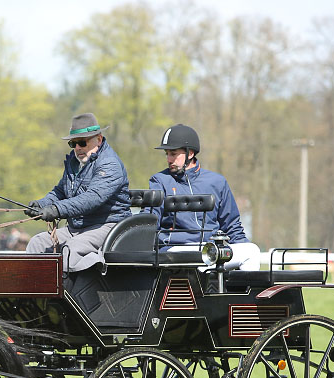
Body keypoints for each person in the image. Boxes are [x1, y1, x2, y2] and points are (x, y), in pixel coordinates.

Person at [25, 113, 132, 271]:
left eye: (82, 142)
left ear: (99, 139)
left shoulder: (110, 164)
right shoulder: (74, 163)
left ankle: (70, 291)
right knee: (37, 243)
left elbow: (91, 199)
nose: (77, 148)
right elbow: (60, 191)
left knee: (72, 249)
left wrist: (56, 209)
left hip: (107, 226)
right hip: (77, 228)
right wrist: (41, 204)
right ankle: (33, 292)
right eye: (73, 144)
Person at [148, 124, 260, 270]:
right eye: (167, 154)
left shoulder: (217, 182)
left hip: (211, 249)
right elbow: (151, 221)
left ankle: (239, 292)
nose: (169, 159)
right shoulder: (160, 180)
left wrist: (242, 244)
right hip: (176, 249)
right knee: (204, 258)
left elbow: (232, 225)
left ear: (190, 153)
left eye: (173, 153)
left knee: (252, 251)